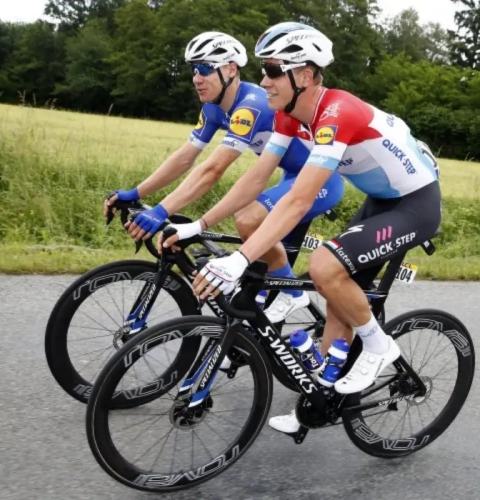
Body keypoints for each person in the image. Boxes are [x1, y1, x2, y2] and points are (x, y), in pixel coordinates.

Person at [160, 22, 442, 434]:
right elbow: (256, 180)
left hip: (415, 204)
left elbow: (298, 199)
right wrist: (199, 225)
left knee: (325, 265)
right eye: (264, 70)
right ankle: (319, 402)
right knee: (336, 294)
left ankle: (380, 347)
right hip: (380, 202)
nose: (264, 80)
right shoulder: (290, 117)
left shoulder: (336, 112)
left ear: (304, 75)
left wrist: (240, 259)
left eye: (273, 70)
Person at [104, 31, 344, 323]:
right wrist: (137, 192)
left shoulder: (252, 104)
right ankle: (257, 333)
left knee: (247, 219)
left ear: (231, 69)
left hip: (321, 181)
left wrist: (162, 210)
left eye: (205, 68)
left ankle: (292, 296)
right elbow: (185, 156)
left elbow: (213, 169)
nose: (196, 77)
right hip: (290, 176)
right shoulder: (213, 108)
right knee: (257, 257)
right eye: (194, 69)